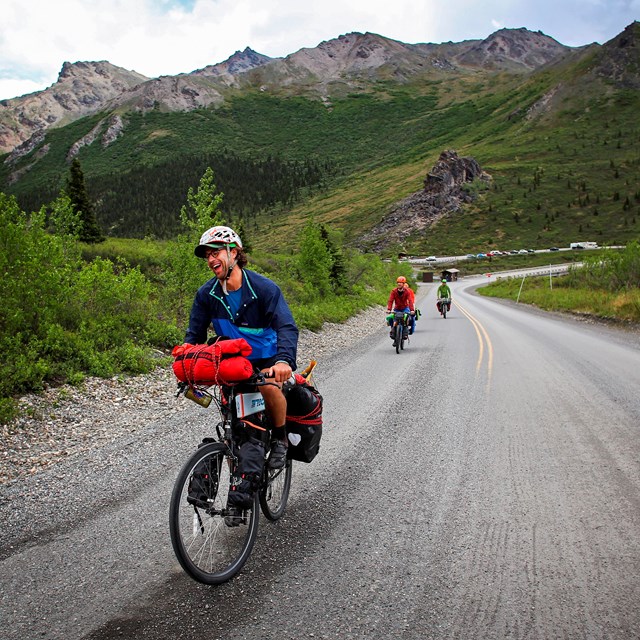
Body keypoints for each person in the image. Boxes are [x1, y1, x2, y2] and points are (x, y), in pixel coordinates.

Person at [185, 225, 299, 523]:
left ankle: (281, 440)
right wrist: (187, 365)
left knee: (270, 388)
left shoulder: (264, 289)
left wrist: (285, 360)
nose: (211, 260)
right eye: (207, 255)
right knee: (235, 426)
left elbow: (286, 326)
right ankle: (237, 464)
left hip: (266, 360)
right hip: (232, 365)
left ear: (234, 253)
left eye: (216, 252)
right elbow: (194, 337)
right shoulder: (207, 295)